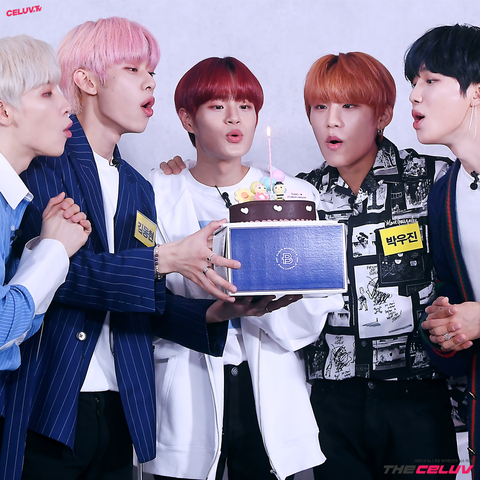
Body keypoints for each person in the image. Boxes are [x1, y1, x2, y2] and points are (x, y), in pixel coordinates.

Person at [0, 19, 282, 480]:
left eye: (151, 71)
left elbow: (141, 300)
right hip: (48, 404)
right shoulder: (41, 164)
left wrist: (218, 313)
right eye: (133, 69)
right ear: (86, 81)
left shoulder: (138, 185)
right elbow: (53, 275)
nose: (150, 81)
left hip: (122, 409)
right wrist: (163, 260)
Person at [146, 56, 343, 480]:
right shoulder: (157, 192)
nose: (234, 118)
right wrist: (211, 310)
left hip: (271, 385)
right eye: (217, 106)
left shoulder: (294, 195)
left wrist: (262, 301)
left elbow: (316, 307)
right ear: (187, 118)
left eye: (246, 106)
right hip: (186, 386)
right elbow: (143, 300)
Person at [298, 52, 459, 479]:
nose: (331, 121)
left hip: (418, 398)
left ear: (383, 114)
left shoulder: (435, 178)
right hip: (332, 403)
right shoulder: (299, 196)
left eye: (349, 106)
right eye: (319, 107)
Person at [405, 24, 480, 478]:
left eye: (430, 80)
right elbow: (454, 298)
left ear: (476, 91)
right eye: (414, 82)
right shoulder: (445, 193)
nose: (415, 96)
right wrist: (444, 327)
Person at [0, 34, 91, 371]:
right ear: (4, 111)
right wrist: (53, 252)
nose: (67, 105)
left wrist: (44, 251)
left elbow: (19, 332)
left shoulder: (13, 203)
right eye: (47, 93)